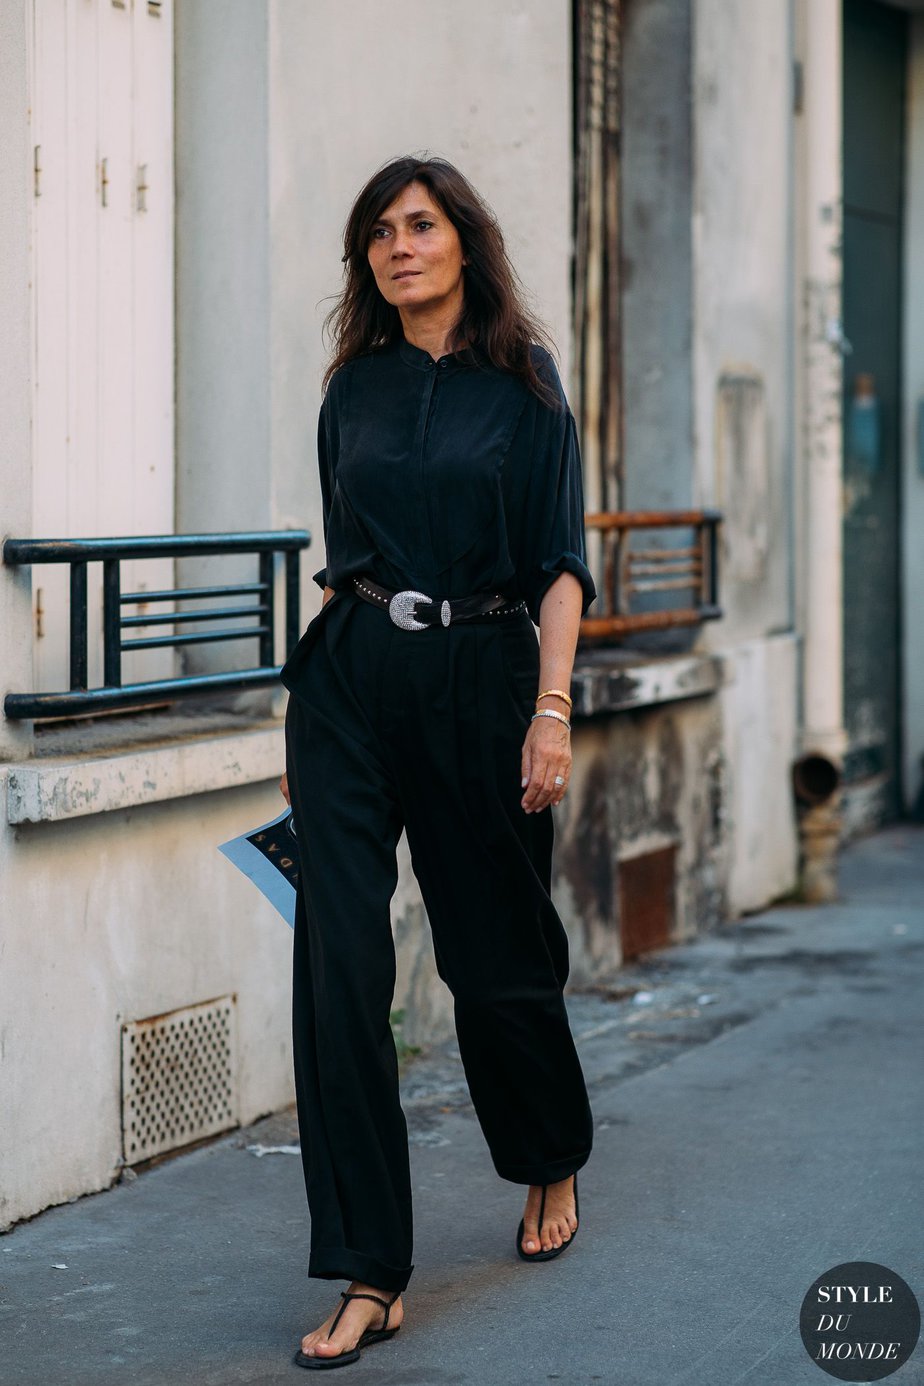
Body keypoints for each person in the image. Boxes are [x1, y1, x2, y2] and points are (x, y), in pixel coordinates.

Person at [278, 154, 597, 1370]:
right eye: (378, 233)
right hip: (353, 676)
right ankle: (370, 1268)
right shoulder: (350, 387)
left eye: (420, 225)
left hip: (484, 677)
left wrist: (551, 710)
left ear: (465, 239)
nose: (398, 246)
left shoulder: (524, 384)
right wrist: (307, 705)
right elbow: (343, 540)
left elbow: (557, 562)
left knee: (493, 955)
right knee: (339, 964)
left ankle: (546, 1151)